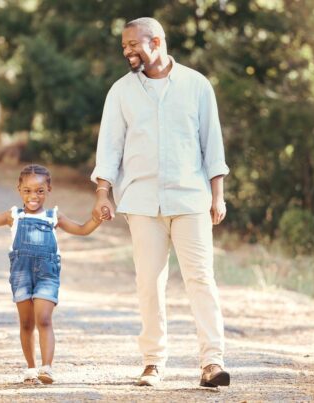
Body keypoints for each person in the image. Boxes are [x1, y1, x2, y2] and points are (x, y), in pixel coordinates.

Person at [91, 17, 231, 388]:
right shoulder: (120, 92)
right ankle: (153, 361)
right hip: (141, 201)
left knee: (201, 279)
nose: (127, 51)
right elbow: (109, 148)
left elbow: (211, 145)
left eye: (133, 44)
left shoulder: (197, 85)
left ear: (156, 41)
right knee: (149, 283)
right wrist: (103, 192)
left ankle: (212, 363)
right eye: (124, 46)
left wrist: (218, 196)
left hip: (190, 199)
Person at [0, 164, 102, 385]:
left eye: (40, 191)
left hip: (47, 275)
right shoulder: (14, 215)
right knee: (26, 323)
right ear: (19, 190)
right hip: (21, 275)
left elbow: (82, 229)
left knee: (43, 319)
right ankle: (31, 368)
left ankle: (47, 368)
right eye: (28, 191)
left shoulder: (54, 217)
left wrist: (97, 219)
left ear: (48, 189)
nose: (34, 196)